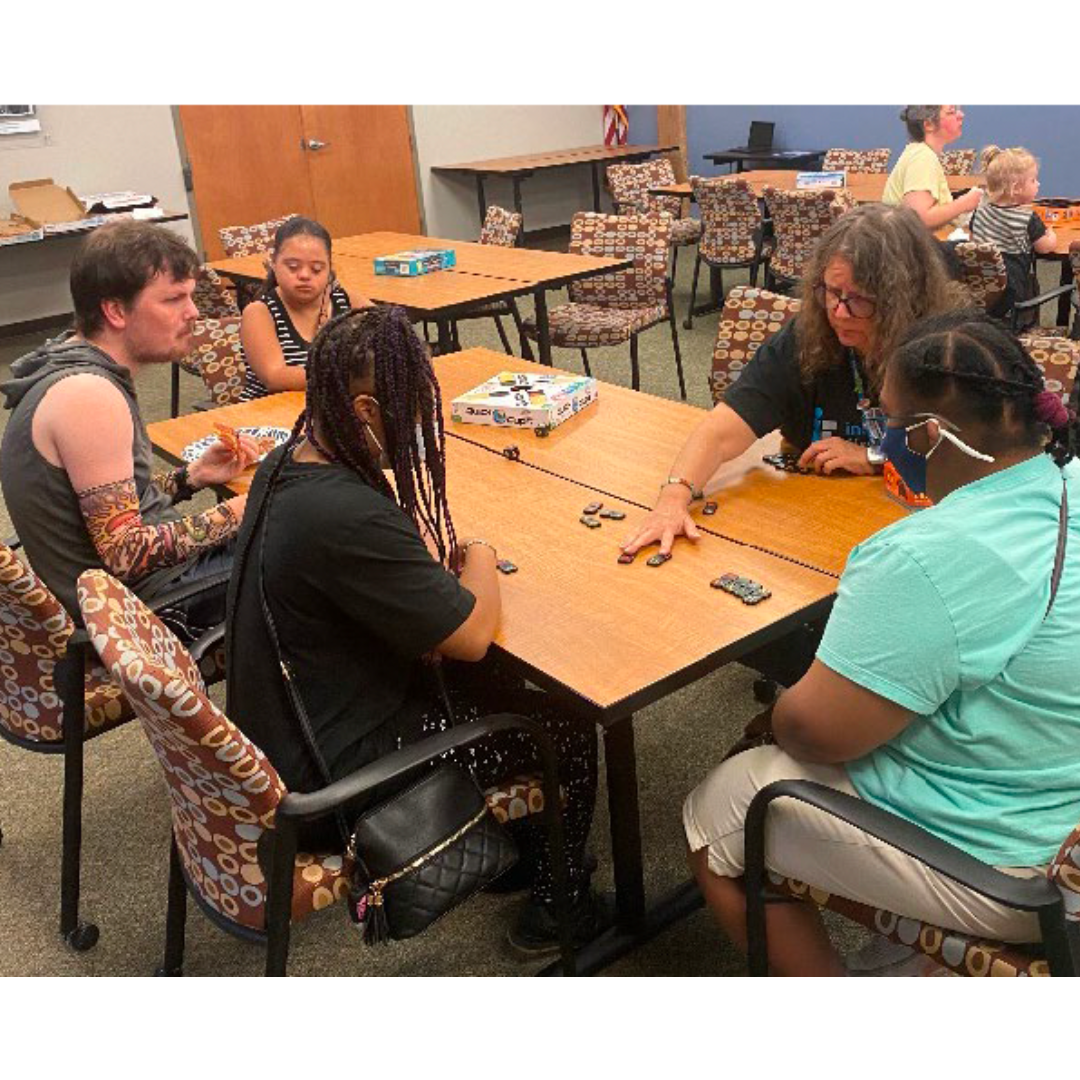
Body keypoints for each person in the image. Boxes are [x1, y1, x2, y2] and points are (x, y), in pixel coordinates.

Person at [683, 310, 1080, 976]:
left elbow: (814, 734)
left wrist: (777, 715)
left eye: (886, 424)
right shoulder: (1063, 481)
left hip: (1020, 868)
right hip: (1060, 793)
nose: (881, 439)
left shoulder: (923, 555)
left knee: (719, 808)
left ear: (927, 435)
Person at [225, 304, 606, 954]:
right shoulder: (342, 512)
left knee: (484, 679)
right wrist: (481, 555)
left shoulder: (288, 465)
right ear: (367, 409)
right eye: (413, 407)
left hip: (287, 732)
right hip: (334, 783)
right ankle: (556, 908)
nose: (423, 422)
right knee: (562, 725)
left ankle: (509, 852)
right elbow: (469, 635)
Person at [621, 204, 966, 561]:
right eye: (832, 292)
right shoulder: (806, 339)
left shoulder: (949, 346)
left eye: (860, 299)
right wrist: (673, 499)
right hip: (811, 524)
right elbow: (720, 432)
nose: (839, 312)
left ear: (902, 299)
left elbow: (971, 457)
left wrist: (874, 456)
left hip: (910, 536)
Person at [0, 220, 257, 638]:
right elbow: (125, 552)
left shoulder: (66, 366)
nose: (193, 312)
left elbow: (104, 507)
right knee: (318, 542)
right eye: (174, 299)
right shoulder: (88, 396)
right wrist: (241, 508)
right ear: (115, 311)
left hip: (121, 596)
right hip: (140, 615)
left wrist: (190, 477)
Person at [238, 216, 357, 401]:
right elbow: (275, 377)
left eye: (317, 269)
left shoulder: (346, 301)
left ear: (330, 269)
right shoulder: (259, 313)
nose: (304, 275)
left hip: (330, 410)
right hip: (269, 418)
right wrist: (352, 375)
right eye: (293, 267)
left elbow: (387, 333)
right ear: (274, 264)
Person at [970, 145, 1058, 327]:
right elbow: (1045, 247)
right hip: (1013, 294)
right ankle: (1028, 326)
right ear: (1015, 188)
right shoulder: (1027, 218)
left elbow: (973, 241)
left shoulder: (979, 211)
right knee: (1033, 283)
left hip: (980, 292)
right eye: (1033, 180)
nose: (1038, 184)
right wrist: (1051, 233)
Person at [882, 106, 983, 230]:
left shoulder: (919, 152)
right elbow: (919, 219)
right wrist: (965, 203)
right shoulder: (922, 157)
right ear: (929, 125)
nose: (961, 115)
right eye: (951, 112)